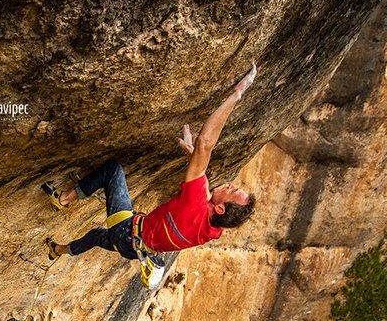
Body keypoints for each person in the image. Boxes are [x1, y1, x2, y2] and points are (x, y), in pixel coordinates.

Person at [44, 65, 258, 276]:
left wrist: (237, 94)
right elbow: (204, 190)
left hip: (126, 230)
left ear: (220, 209)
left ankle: (62, 199)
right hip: (135, 251)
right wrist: (191, 154)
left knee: (112, 170)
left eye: (233, 190)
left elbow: (206, 144)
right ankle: (57, 250)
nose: (231, 185)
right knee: (96, 236)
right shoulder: (213, 230)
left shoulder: (196, 205)